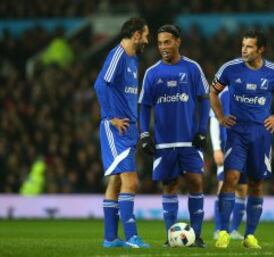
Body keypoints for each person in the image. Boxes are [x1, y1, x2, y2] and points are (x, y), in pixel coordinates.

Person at [210, 29, 274, 249]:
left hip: (261, 134)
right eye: (243, 45)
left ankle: (249, 235)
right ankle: (223, 232)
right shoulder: (230, 68)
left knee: (256, 183)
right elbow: (212, 92)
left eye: (249, 46)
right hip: (237, 132)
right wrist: (220, 116)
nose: (244, 49)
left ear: (261, 49)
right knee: (231, 178)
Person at [139, 24, 210, 248]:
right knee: (169, 186)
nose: (163, 47)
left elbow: (205, 99)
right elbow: (144, 106)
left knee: (196, 182)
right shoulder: (152, 72)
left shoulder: (192, 68)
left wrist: (202, 130)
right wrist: (144, 134)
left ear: (178, 41)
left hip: (189, 139)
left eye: (167, 42)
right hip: (164, 142)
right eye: (159, 43)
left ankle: (196, 236)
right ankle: (171, 239)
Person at [94, 17, 150, 248]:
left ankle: (110, 238)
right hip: (116, 128)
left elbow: (126, 95)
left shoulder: (134, 60)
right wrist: (111, 117)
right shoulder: (117, 54)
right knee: (131, 181)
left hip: (128, 129)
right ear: (135, 34)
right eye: (145, 34)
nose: (147, 39)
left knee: (116, 182)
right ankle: (132, 236)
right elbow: (100, 84)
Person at [210, 88, 247, 240]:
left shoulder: (251, 88)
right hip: (227, 146)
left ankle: (233, 230)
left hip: (246, 146)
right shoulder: (222, 92)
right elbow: (213, 120)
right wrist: (216, 148)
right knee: (223, 186)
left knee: (242, 189)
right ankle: (219, 229)